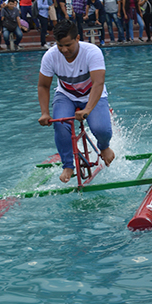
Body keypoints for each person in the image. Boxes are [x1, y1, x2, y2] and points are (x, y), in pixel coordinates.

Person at [37, 20, 115, 184]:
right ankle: (68, 165)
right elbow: (43, 85)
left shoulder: (92, 52)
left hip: (93, 93)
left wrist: (87, 109)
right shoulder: (50, 56)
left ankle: (104, 146)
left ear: (77, 38)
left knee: (100, 128)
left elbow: (98, 83)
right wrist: (44, 112)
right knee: (60, 125)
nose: (64, 50)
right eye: (60, 45)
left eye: (68, 45)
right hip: (65, 95)